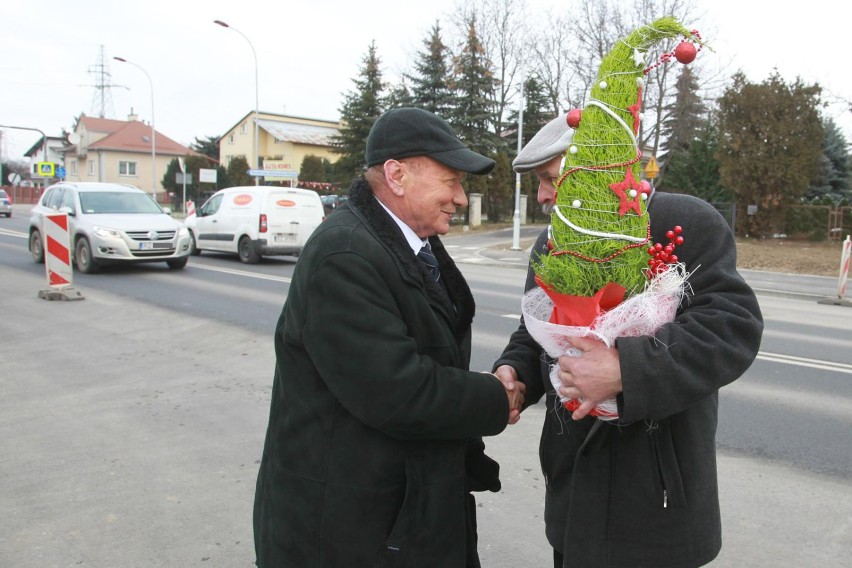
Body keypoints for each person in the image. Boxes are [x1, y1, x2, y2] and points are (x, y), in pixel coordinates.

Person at [253, 107, 525, 568]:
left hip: (400, 508)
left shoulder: (402, 241)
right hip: (347, 527)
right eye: (450, 180)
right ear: (397, 175)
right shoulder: (344, 255)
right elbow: (397, 391)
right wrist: (496, 397)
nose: (460, 198)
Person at [493, 113, 764, 567]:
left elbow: (731, 326)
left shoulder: (682, 221)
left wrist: (625, 369)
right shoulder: (551, 243)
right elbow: (536, 330)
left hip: (658, 504)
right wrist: (516, 372)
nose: (541, 195)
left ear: (604, 168)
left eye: (549, 179)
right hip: (575, 495)